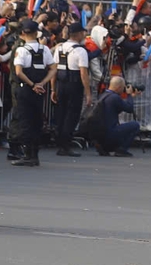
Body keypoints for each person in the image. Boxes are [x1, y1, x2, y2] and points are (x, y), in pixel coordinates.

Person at [7, 19, 50, 166]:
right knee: (36, 121)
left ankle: (27, 155)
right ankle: (34, 154)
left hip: (25, 88)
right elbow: (53, 68)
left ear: (24, 33)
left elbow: (18, 72)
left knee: (25, 121)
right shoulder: (45, 49)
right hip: (40, 89)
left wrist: (32, 85)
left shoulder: (21, 50)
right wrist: (42, 83)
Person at [50, 26, 91, 156]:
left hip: (61, 84)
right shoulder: (81, 51)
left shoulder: (60, 48)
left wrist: (53, 89)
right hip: (74, 84)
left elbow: (54, 70)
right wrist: (88, 93)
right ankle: (65, 144)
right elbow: (83, 74)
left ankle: (60, 142)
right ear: (78, 34)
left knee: (61, 114)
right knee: (72, 115)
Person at [88, 74, 140, 156]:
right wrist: (129, 95)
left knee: (119, 127)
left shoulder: (103, 95)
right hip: (110, 133)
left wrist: (130, 97)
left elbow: (115, 109)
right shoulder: (114, 97)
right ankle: (121, 150)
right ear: (118, 87)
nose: (124, 90)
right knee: (135, 125)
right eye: (123, 88)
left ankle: (104, 147)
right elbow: (129, 108)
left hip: (100, 135)